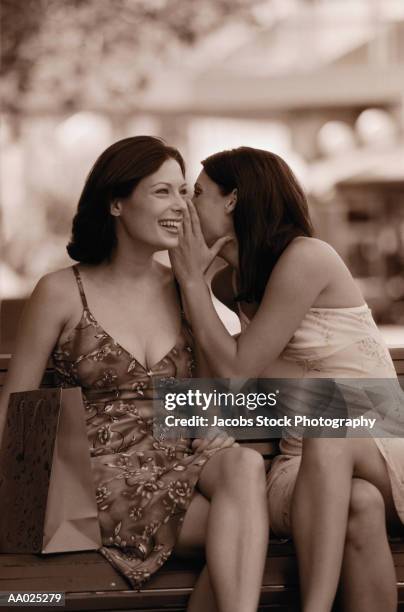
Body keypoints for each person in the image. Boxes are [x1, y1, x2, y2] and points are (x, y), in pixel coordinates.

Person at [0, 137, 269, 612]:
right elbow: (15, 405)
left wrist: (214, 427)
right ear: (116, 202)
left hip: (178, 464)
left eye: (185, 192)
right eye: (162, 191)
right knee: (243, 537)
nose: (180, 205)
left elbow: (208, 397)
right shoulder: (61, 291)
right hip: (91, 481)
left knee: (244, 468)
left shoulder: (186, 286)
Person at [169, 145, 404, 612]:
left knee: (330, 428)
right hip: (301, 462)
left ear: (233, 200)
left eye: (196, 193)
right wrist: (215, 417)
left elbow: (238, 367)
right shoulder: (227, 283)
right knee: (358, 505)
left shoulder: (306, 258)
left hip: (381, 439)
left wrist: (191, 284)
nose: (185, 207)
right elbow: (223, 377)